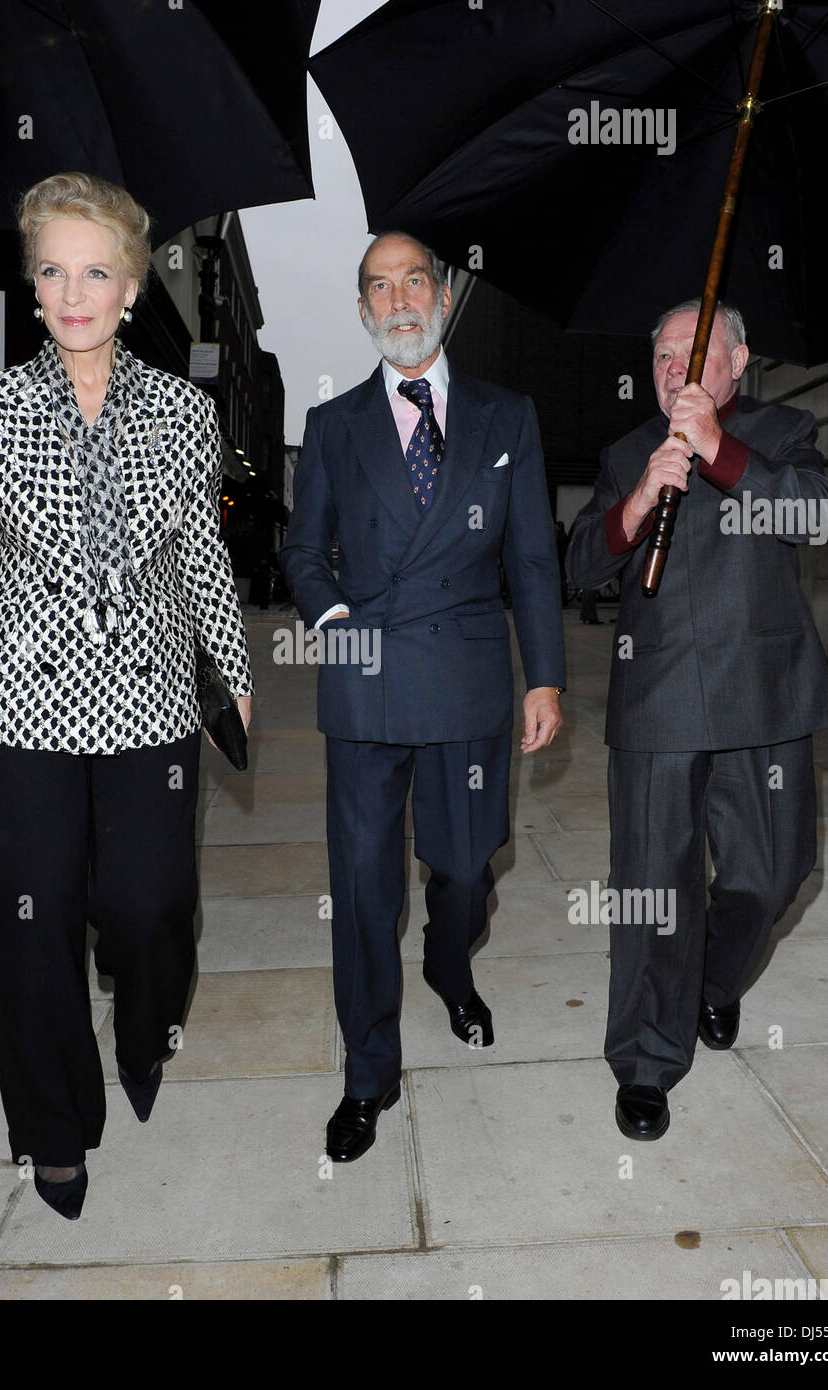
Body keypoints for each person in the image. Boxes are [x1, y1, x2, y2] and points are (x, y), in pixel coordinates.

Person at [0, 172, 253, 1219]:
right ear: (34, 286)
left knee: (149, 905)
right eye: (53, 271)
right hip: (21, 704)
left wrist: (233, 681)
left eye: (95, 271)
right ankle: (54, 1129)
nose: (73, 292)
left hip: (152, 702)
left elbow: (202, 558)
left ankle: (148, 1024)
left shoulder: (181, 411)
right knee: (34, 919)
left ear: (129, 286)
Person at [280, 232, 565, 1163]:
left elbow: (529, 557)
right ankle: (369, 1074)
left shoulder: (505, 416)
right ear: (362, 312)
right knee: (363, 890)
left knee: (465, 868)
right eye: (378, 288)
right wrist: (332, 622)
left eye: (413, 282)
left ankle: (452, 967)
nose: (398, 301)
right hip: (366, 689)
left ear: (440, 297)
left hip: (470, 682)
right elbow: (300, 551)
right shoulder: (332, 427)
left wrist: (547, 675)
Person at [566, 298, 828, 1141]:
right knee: (654, 890)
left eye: (692, 353)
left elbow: (814, 517)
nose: (673, 370)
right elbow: (580, 565)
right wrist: (641, 497)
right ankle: (646, 1061)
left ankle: (710, 985)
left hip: (762, 698)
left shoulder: (782, 429)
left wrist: (718, 451)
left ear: (738, 361)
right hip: (655, 704)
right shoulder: (623, 453)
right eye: (660, 358)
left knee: (772, 875)